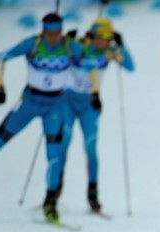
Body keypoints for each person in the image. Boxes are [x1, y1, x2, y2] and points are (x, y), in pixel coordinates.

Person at [0, 12, 83, 224]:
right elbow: (1, 58)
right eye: (49, 32)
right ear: (43, 30)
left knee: (54, 155)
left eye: (57, 32)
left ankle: (50, 203)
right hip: (29, 103)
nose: (53, 37)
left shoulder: (70, 45)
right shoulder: (33, 44)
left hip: (55, 106)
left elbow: (90, 59)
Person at [58, 17, 135, 213]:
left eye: (110, 38)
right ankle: (53, 192)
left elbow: (130, 67)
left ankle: (93, 196)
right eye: (104, 38)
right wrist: (66, 41)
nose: (107, 42)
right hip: (67, 102)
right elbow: (80, 62)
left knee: (91, 150)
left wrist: (122, 46)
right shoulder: (80, 46)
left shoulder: (109, 51)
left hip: (89, 105)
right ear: (94, 36)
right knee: (63, 145)